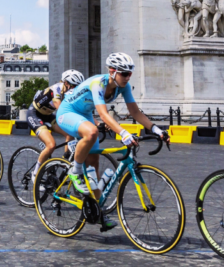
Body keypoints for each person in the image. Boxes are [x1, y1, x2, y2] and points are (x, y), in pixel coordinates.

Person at [56, 53, 168, 231]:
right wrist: (123, 133)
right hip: (67, 112)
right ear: (112, 71)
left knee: (94, 169)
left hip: (84, 114)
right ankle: (74, 171)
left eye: (130, 73)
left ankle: (97, 211)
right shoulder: (98, 83)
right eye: (124, 74)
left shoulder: (123, 86)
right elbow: (103, 114)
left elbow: (135, 112)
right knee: (92, 131)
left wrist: (155, 129)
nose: (127, 77)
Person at [28, 69, 86, 183]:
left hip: (48, 115)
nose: (76, 89)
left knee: (70, 134)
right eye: (74, 86)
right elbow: (62, 111)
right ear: (66, 83)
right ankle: (35, 174)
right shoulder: (56, 89)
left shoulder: (70, 93)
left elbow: (81, 109)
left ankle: (64, 161)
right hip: (35, 115)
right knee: (51, 145)